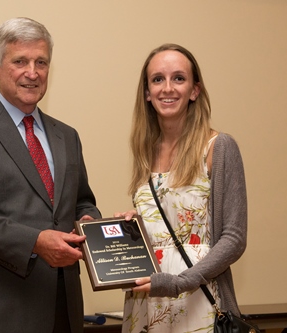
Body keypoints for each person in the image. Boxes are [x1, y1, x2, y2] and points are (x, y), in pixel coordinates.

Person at [0, 17, 101, 333]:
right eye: (20, 61)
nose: (33, 72)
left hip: (64, 310)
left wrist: (91, 224)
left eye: (41, 62)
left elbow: (82, 202)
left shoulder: (67, 135)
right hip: (1, 311)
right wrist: (36, 241)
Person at [115, 43, 247, 332]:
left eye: (179, 78)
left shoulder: (219, 147)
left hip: (197, 298)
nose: (168, 88)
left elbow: (234, 239)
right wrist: (136, 228)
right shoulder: (144, 152)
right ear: (147, 93)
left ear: (195, 90)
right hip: (147, 301)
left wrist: (178, 282)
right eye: (158, 79)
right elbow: (165, 226)